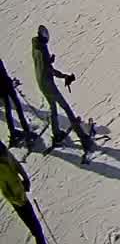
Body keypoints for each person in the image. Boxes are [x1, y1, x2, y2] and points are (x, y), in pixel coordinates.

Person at [29, 27, 90, 155]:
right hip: (48, 84)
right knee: (66, 108)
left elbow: (41, 63)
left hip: (41, 83)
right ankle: (83, 137)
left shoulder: (35, 46)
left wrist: (48, 62)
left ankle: (56, 133)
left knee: (53, 108)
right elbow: (49, 70)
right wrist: (64, 76)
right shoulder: (43, 49)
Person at [0, 143, 46, 244]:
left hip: (19, 196)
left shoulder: (5, 155)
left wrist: (25, 178)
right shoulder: (5, 155)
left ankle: (41, 241)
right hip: (18, 197)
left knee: (32, 221)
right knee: (32, 221)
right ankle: (41, 241)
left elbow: (17, 165)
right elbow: (5, 191)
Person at [0, 59, 33, 149]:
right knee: (18, 108)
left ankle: (13, 134)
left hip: (2, 90)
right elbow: (3, 73)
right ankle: (27, 132)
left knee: (8, 111)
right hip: (7, 86)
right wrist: (10, 82)